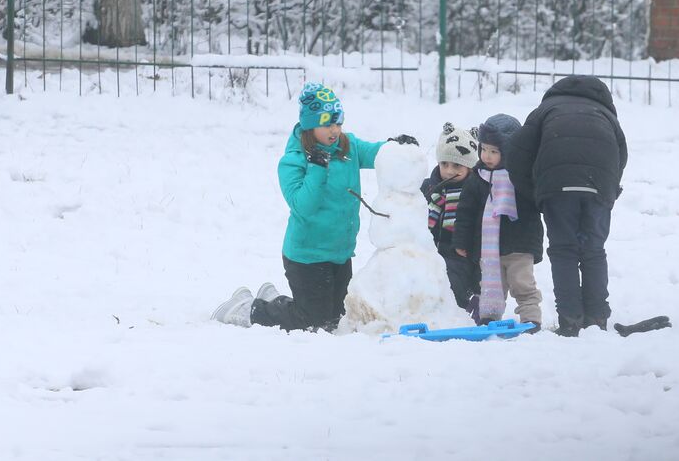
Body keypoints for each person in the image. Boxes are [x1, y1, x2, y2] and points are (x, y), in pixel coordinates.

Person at [211, 82, 417, 332]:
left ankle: (273, 299)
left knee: (337, 319)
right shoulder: (293, 162)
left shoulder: (347, 147)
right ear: (310, 125)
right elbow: (303, 207)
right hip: (306, 256)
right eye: (327, 123)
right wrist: (317, 169)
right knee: (311, 322)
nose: (335, 130)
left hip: (339, 253)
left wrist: (395, 148)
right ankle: (247, 309)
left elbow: (376, 154)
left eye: (338, 123)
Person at [505, 76, 627, 337]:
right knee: (593, 250)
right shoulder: (606, 114)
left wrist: (534, 194)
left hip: (557, 187)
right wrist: (609, 192)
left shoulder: (546, 111)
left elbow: (516, 152)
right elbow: (621, 156)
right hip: (598, 186)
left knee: (563, 251)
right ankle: (596, 319)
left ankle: (570, 320)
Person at [452, 114, 544, 331]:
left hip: (519, 244)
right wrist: (461, 241)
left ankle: (531, 317)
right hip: (488, 247)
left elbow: (535, 206)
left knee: (523, 283)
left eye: (494, 151)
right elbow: (465, 212)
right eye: (484, 149)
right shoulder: (477, 177)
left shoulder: (522, 176)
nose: (487, 156)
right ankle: (489, 317)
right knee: (491, 285)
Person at [419, 122, 480, 315]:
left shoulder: (474, 190)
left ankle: (459, 313)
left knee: (456, 284)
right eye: (444, 164)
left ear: (470, 166)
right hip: (432, 249)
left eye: (457, 165)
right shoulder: (430, 187)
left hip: (461, 252)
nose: (449, 170)